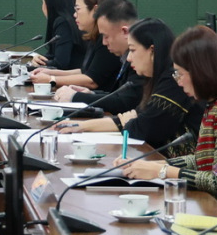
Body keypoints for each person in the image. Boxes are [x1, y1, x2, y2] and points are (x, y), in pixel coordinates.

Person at [130, 26, 217, 207]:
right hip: (216, 205)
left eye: (180, 73)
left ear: (200, 71)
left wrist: (162, 171)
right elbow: (203, 160)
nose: (178, 82)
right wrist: (152, 165)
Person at [56, 18, 197, 149]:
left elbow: (142, 129)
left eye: (133, 50)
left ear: (152, 50)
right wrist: (80, 126)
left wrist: (130, 119)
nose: (129, 58)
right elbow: (134, 118)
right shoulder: (156, 78)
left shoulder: (174, 80)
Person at [61, 0, 141, 113]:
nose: (104, 42)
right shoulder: (125, 56)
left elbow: (124, 102)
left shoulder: (141, 59)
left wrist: (75, 97)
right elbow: (119, 95)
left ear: (124, 31)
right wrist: (91, 94)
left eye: (106, 36)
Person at [32, 0, 118, 93]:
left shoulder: (106, 39)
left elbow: (91, 81)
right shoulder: (94, 37)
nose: (74, 15)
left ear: (95, 10)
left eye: (78, 9)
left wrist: (51, 79)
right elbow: (84, 71)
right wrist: (50, 72)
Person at [37, 0, 84, 71]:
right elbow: (54, 55)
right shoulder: (70, 20)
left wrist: (33, 66)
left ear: (50, 5)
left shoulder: (63, 23)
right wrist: (39, 59)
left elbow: (60, 64)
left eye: (43, 2)